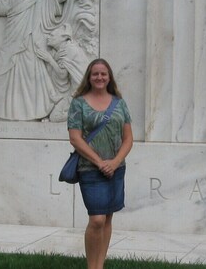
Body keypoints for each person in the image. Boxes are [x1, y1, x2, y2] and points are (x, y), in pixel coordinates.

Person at [67, 58, 133, 269]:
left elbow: (128, 138)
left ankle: (100, 265)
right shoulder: (78, 103)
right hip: (90, 169)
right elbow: (75, 138)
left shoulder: (119, 103)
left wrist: (115, 162)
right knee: (96, 219)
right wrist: (99, 162)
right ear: (89, 77)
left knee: (107, 218)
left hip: (116, 170)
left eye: (103, 74)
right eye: (95, 74)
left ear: (109, 77)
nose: (99, 77)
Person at [0, 0, 67, 120]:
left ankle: (35, 113)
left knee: (32, 80)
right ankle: (8, 112)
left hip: (30, 44)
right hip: (12, 43)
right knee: (8, 77)